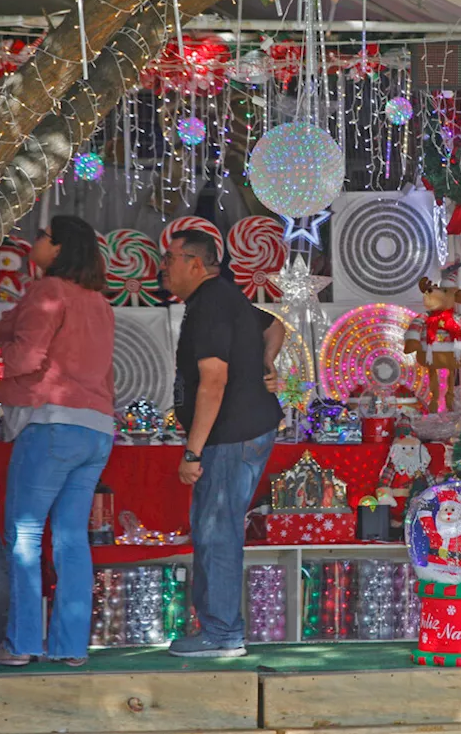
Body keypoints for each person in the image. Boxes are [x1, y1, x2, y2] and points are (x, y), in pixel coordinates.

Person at [0, 216, 116, 667]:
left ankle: (23, 644)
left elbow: (25, 355)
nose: (35, 242)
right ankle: (70, 647)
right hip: (97, 429)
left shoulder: (50, 292)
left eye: (42, 237)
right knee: (70, 540)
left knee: (24, 535)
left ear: (58, 248)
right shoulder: (100, 302)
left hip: (52, 424)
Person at [161, 228, 285, 657]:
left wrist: (193, 451)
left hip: (230, 435)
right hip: (243, 431)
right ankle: (218, 628)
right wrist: (265, 361)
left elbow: (213, 383)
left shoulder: (212, 304)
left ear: (196, 263)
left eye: (170, 259)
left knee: (217, 531)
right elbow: (276, 327)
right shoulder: (222, 298)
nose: (164, 268)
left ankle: (222, 632)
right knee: (217, 528)